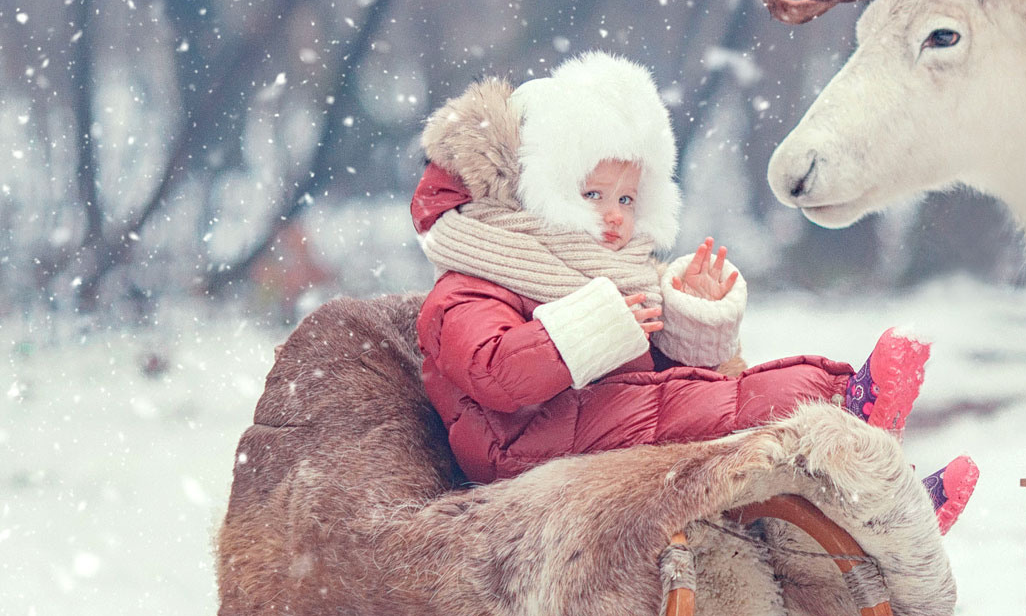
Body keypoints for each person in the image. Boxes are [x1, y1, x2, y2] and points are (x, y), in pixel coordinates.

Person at [409, 51, 977, 530]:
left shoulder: (585, 269)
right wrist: (593, 328)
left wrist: (688, 323)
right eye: (592, 196)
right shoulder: (470, 285)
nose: (614, 217)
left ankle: (881, 502)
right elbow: (496, 371)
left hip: (590, 417)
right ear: (537, 192)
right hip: (523, 446)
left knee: (735, 407)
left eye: (626, 200)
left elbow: (646, 372)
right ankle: (866, 452)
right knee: (731, 412)